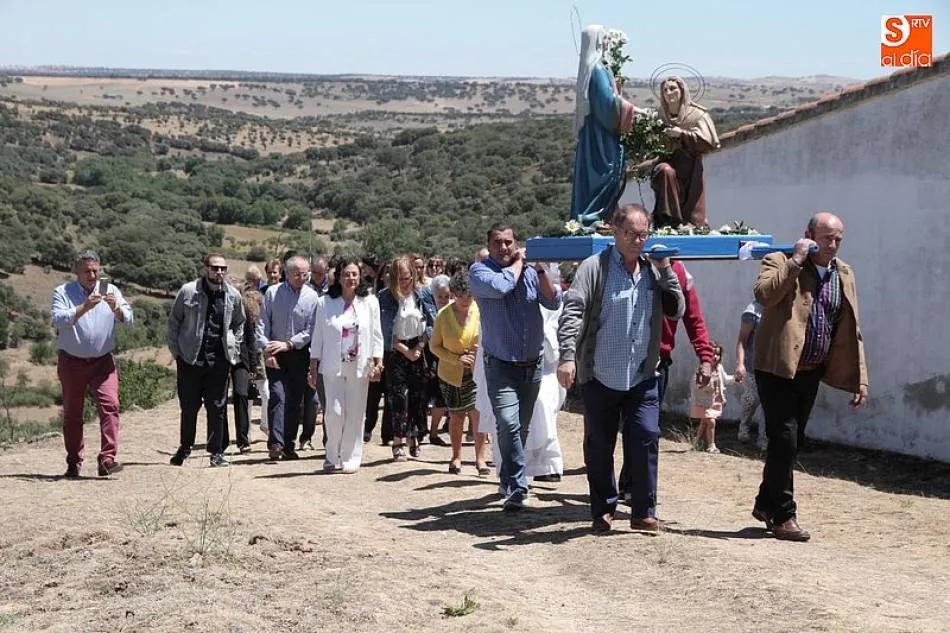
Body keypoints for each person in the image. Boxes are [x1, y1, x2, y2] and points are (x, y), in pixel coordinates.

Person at [557, 204, 684, 533]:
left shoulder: (655, 270)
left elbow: (676, 310)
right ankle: (603, 509)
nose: (638, 241)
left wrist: (667, 270)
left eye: (643, 234)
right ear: (614, 231)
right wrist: (568, 356)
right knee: (599, 445)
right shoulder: (594, 268)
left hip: (642, 374)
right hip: (600, 374)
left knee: (645, 437)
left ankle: (643, 510)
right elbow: (573, 312)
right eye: (631, 234)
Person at [751, 212, 868, 542]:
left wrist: (861, 377)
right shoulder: (779, 260)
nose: (833, 245)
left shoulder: (843, 273)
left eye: (838, 239)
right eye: (827, 237)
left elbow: (852, 329)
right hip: (776, 367)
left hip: (811, 370)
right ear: (809, 235)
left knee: (793, 441)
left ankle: (764, 502)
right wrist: (796, 262)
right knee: (784, 439)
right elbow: (764, 295)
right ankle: (783, 515)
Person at [470, 223, 562, 511]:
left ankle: (508, 480)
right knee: (507, 423)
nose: (504, 248)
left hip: (531, 363)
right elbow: (501, 287)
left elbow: (553, 301)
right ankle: (519, 485)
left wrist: (542, 271)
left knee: (519, 427)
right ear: (489, 244)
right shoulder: (480, 272)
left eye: (509, 242)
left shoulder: (531, 273)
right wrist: (522, 262)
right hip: (500, 364)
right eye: (497, 242)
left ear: (515, 242)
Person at [51, 250, 133, 478]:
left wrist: (117, 309)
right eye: (87, 270)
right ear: (76, 271)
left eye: (96, 270)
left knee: (110, 406)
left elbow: (129, 317)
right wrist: (84, 307)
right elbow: (57, 319)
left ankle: (107, 459)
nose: (93, 275)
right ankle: (73, 462)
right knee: (73, 413)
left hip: (103, 362)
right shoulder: (63, 292)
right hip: (72, 361)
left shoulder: (111, 290)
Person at [167, 254, 246, 467]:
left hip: (219, 361)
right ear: (205, 269)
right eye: (215, 268)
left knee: (217, 407)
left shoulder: (233, 295)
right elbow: (174, 322)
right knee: (189, 407)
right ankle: (185, 448)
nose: (219, 272)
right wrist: (176, 352)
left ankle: (216, 452)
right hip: (190, 360)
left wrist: (234, 346)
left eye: (223, 268)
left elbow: (240, 323)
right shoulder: (188, 291)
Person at [309, 257, 383, 474]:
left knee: (355, 413)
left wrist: (378, 362)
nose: (351, 278)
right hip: (333, 366)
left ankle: (351, 456)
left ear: (360, 277)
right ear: (338, 278)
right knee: (334, 412)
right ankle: (332, 454)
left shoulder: (370, 301)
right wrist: (313, 366)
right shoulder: (325, 302)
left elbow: (377, 334)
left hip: (360, 366)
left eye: (354, 274)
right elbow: (318, 336)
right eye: (346, 274)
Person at [570, 24, 637, 227]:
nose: (608, 41)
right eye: (605, 38)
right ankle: (595, 216)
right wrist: (630, 108)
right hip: (601, 136)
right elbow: (607, 106)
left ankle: (604, 215)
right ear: (598, 41)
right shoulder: (597, 69)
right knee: (605, 173)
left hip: (597, 133)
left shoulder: (599, 67)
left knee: (605, 176)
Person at [256, 255, 320, 461]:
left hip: (298, 353)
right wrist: (267, 350)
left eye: (305, 274)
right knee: (277, 397)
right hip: (275, 353)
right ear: (287, 273)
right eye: (298, 274)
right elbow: (262, 325)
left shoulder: (312, 297)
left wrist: (290, 343)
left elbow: (311, 329)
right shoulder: (272, 294)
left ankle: (289, 445)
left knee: (294, 401)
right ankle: (276, 443)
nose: (302, 277)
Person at [430, 272, 489, 475]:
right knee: (456, 415)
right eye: (461, 296)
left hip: (476, 372)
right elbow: (434, 347)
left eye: (469, 296)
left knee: (477, 414)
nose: (466, 300)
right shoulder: (443, 315)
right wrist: (456, 359)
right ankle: (456, 456)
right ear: (454, 293)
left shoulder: (481, 311)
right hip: (450, 373)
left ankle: (480, 459)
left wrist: (477, 350)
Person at [378, 256, 437, 461]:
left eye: (408, 278)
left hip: (418, 347)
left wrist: (420, 346)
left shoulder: (423, 294)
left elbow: (431, 323)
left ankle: (415, 436)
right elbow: (382, 331)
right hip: (396, 351)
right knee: (398, 397)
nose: (405, 282)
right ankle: (398, 440)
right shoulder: (384, 297)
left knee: (418, 396)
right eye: (401, 279)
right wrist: (404, 350)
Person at [651, 76, 720, 228]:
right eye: (665, 90)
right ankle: (668, 221)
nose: (669, 93)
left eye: (673, 88)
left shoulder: (697, 115)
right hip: (668, 164)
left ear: (682, 91)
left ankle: (690, 222)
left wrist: (682, 134)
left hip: (690, 168)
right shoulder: (658, 116)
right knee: (664, 171)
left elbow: (708, 141)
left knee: (691, 206)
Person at [299, 256, 330, 451]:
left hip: (328, 349)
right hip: (308, 347)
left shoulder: (332, 290)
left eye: (322, 273)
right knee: (311, 399)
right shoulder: (305, 290)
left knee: (328, 400)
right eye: (315, 273)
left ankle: (329, 440)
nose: (318, 277)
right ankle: (306, 436)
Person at [690, 342, 734, 454]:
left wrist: (735, 378)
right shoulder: (702, 370)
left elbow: (725, 379)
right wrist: (706, 386)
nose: (715, 357)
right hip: (704, 401)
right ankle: (711, 445)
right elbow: (696, 386)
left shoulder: (719, 368)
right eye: (712, 354)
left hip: (715, 401)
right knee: (711, 422)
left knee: (705, 422)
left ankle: (697, 443)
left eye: (717, 354)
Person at [735, 300, 766, 449]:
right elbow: (742, 340)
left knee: (768, 403)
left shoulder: (778, 308)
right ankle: (744, 427)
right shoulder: (752, 312)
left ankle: (763, 438)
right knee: (752, 399)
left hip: (770, 367)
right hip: (752, 366)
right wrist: (740, 364)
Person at [426, 274, 452, 446]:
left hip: (452, 357)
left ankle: (436, 432)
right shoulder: (428, 310)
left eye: (446, 296)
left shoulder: (454, 308)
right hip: (433, 357)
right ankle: (430, 432)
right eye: (439, 296)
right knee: (437, 397)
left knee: (446, 399)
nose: (443, 299)